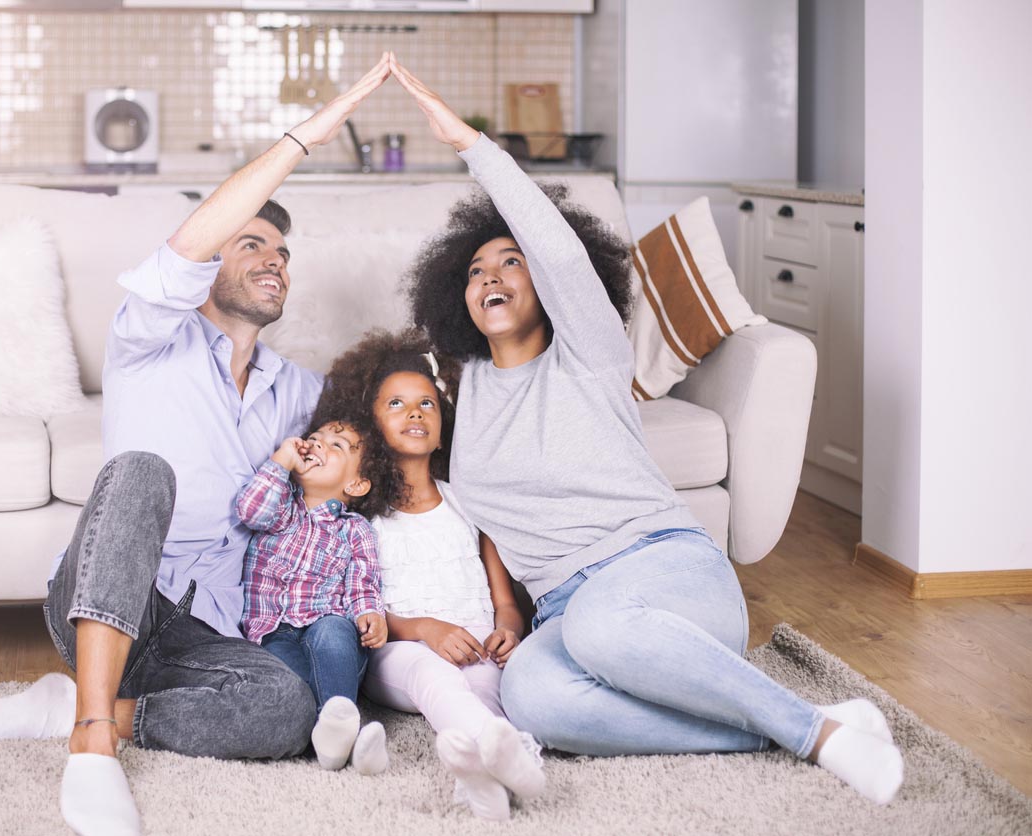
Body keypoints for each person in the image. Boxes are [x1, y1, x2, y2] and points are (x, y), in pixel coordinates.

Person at [393, 54, 905, 806]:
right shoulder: (465, 399)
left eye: (512, 261)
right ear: (456, 296)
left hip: (664, 575)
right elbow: (486, 525)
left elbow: (560, 250)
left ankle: (818, 739)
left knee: (603, 633)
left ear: (546, 281)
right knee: (535, 700)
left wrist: (472, 145)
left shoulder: (589, 355)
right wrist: (507, 613)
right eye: (475, 270)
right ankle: (792, 724)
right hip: (566, 609)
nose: (491, 276)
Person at [0, 54, 396, 836]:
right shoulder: (146, 339)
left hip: (208, 632)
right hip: (109, 599)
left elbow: (388, 426)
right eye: (250, 246)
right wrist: (310, 135)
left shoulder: (302, 395)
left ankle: (86, 708)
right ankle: (91, 748)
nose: (273, 262)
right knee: (144, 471)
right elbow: (191, 243)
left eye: (281, 254)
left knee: (287, 709)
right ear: (208, 263)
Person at [315, 328, 545, 821]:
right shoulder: (361, 515)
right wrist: (423, 629)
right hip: (398, 654)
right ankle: (508, 755)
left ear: (444, 427)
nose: (414, 412)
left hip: (477, 644)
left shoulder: (469, 502)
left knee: (494, 690)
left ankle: (476, 778)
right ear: (371, 425)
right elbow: (358, 608)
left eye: (427, 404)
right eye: (395, 403)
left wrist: (508, 628)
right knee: (432, 673)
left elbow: (504, 599)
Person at [236, 420, 391, 775]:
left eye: (336, 446)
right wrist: (281, 461)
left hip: (326, 622)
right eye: (314, 439)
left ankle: (342, 725)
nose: (318, 445)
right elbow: (250, 510)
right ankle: (339, 742)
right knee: (292, 686)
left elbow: (362, 581)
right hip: (271, 631)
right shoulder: (281, 508)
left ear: (356, 483)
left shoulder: (354, 529)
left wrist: (370, 612)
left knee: (334, 632)